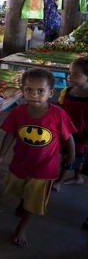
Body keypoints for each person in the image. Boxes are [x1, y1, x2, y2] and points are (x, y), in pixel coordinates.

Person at [0, 69, 76, 247]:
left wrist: (71, 155)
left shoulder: (58, 114)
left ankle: (21, 228)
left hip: (45, 168)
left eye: (40, 91)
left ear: (51, 93)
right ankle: (23, 203)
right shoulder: (18, 112)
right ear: (22, 90)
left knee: (34, 200)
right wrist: (0, 156)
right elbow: (10, 135)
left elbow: (68, 138)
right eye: (29, 90)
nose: (34, 95)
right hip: (21, 163)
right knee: (22, 190)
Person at [56, 57, 88, 192]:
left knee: (71, 157)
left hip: (82, 134)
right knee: (71, 155)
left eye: (75, 74)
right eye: (69, 73)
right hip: (66, 131)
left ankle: (59, 181)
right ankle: (77, 176)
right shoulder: (66, 92)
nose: (69, 77)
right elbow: (59, 110)